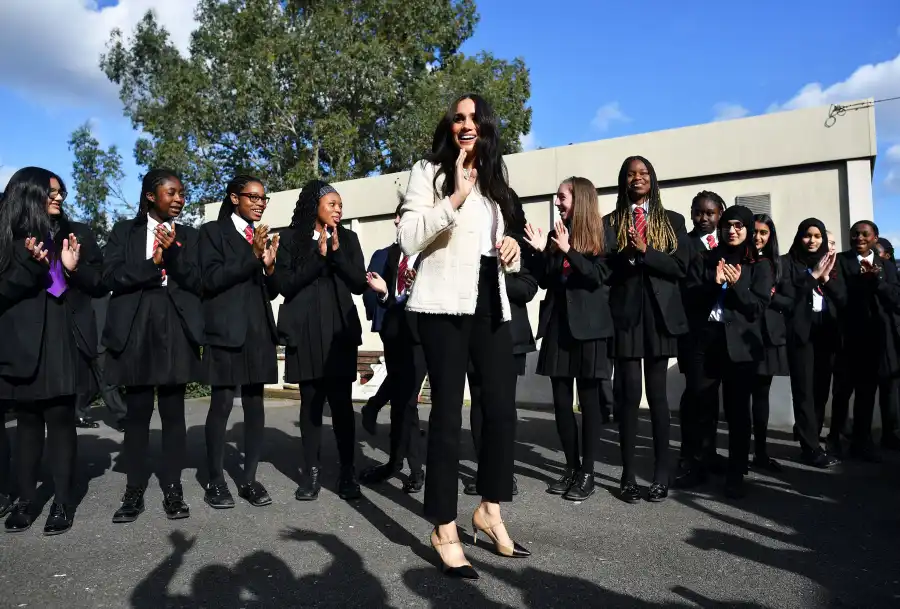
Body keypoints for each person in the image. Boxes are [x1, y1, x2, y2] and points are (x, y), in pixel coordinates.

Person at [398, 93, 529, 579]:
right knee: (449, 416)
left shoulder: (496, 182)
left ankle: (489, 509)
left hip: (490, 300)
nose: (466, 125)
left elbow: (495, 243)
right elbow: (408, 236)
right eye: (459, 118)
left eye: (474, 119)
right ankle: (444, 526)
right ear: (450, 126)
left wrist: (511, 246)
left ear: (486, 126)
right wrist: (452, 196)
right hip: (443, 305)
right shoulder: (427, 173)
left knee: (500, 412)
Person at [0, 167, 106, 535]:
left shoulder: (73, 234)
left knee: (60, 421)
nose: (59, 197)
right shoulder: (7, 239)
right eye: (51, 192)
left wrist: (71, 269)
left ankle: (62, 501)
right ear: (29, 195)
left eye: (61, 192)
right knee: (28, 423)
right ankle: (26, 499)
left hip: (62, 339)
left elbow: (98, 283)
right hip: (20, 344)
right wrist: (32, 267)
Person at [102, 169, 203, 523]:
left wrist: (173, 256)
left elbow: (198, 281)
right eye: (171, 192)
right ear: (149, 195)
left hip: (174, 325)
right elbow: (107, 276)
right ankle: (133, 491)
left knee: (174, 414)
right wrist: (152, 265)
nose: (179, 199)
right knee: (138, 414)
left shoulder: (189, 236)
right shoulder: (122, 233)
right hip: (136, 327)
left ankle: (173, 490)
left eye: (182, 193)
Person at [273, 180, 366, 502]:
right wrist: (318, 256)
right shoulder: (289, 239)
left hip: (339, 331)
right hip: (305, 331)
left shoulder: (349, 239)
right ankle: (311, 474)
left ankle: (347, 473)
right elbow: (285, 284)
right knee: (310, 404)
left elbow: (358, 284)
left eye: (340, 205)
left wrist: (337, 255)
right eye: (332, 204)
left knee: (341, 406)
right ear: (315, 207)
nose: (338, 210)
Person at [605, 156, 689, 503]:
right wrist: (627, 254)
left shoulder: (672, 221)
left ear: (653, 179)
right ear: (623, 181)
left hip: (659, 317)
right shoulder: (610, 221)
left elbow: (680, 267)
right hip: (625, 317)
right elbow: (606, 269)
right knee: (627, 397)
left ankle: (660, 475)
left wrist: (646, 251)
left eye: (643, 173)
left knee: (657, 398)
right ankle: (627, 476)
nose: (637, 178)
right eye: (630, 174)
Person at [525, 177, 612, 501]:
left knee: (589, 404)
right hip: (559, 328)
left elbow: (597, 277)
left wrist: (568, 250)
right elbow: (547, 280)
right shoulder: (555, 234)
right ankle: (571, 467)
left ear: (580, 199)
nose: (557, 201)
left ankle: (588, 472)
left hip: (590, 330)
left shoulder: (604, 233)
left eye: (562, 197)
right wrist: (539, 252)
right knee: (561, 403)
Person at [199, 175, 280, 509]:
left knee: (255, 405)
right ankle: (215, 481)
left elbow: (270, 291)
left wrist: (270, 267)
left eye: (263, 198)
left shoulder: (261, 237)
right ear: (234, 198)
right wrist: (252, 255)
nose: (260, 203)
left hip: (258, 332)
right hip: (226, 333)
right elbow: (212, 279)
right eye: (253, 197)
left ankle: (249, 478)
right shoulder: (212, 233)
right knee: (221, 405)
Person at [684, 206, 773, 498]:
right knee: (701, 407)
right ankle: (699, 465)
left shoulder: (759, 265)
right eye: (727, 226)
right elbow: (691, 298)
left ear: (747, 230)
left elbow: (757, 308)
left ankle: (735, 472)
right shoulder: (706, 259)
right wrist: (715, 281)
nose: (731, 230)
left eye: (738, 226)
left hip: (740, 348)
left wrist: (735, 287)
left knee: (737, 413)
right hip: (706, 342)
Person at [466, 190, 537, 497]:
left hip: (509, 336)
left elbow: (528, 287)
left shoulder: (518, 242)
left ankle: (503, 474)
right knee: (479, 403)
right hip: (472, 334)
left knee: (502, 407)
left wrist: (492, 278)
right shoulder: (470, 240)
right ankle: (485, 472)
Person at [361, 202, 427, 494]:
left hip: (422, 338)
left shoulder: (430, 256)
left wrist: (417, 288)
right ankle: (395, 462)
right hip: (394, 334)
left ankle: (415, 469)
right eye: (401, 217)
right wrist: (386, 295)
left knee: (408, 400)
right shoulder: (386, 255)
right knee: (401, 401)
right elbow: (372, 295)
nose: (403, 223)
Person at [829, 221, 900, 461]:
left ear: (875, 238)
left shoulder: (887, 267)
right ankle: (835, 437)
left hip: (878, 339)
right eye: (855, 234)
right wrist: (860, 284)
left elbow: (895, 299)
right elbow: (838, 296)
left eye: (864, 234)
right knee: (843, 391)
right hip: (848, 338)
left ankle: (862, 441)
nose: (859, 238)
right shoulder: (840, 261)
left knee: (867, 393)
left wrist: (876, 282)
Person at [778, 219, 841, 467]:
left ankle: (811, 438)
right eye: (807, 235)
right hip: (801, 334)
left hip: (826, 333)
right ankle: (810, 448)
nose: (812, 240)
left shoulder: (831, 262)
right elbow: (785, 298)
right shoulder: (786, 263)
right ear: (799, 237)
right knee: (803, 390)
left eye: (817, 236)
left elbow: (843, 297)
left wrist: (826, 279)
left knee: (820, 391)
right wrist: (813, 277)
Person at [676, 191, 727, 487]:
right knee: (695, 393)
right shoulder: (685, 243)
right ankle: (688, 456)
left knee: (711, 395)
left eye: (710, 213)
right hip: (695, 332)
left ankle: (708, 452)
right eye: (699, 213)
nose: (704, 219)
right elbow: (685, 287)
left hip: (720, 333)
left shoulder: (728, 244)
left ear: (720, 213)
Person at [749, 214, 788, 472]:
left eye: (764, 232)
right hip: (742, 335)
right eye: (754, 231)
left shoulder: (777, 264)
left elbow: (790, 301)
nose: (758, 237)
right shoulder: (739, 260)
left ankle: (760, 453)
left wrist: (768, 295)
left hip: (768, 338)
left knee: (761, 396)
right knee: (740, 398)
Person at [74, 294, 127, 431]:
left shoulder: (98, 295)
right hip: (97, 344)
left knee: (91, 384)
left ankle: (79, 414)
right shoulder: (99, 295)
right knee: (107, 383)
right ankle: (123, 417)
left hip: (92, 343)